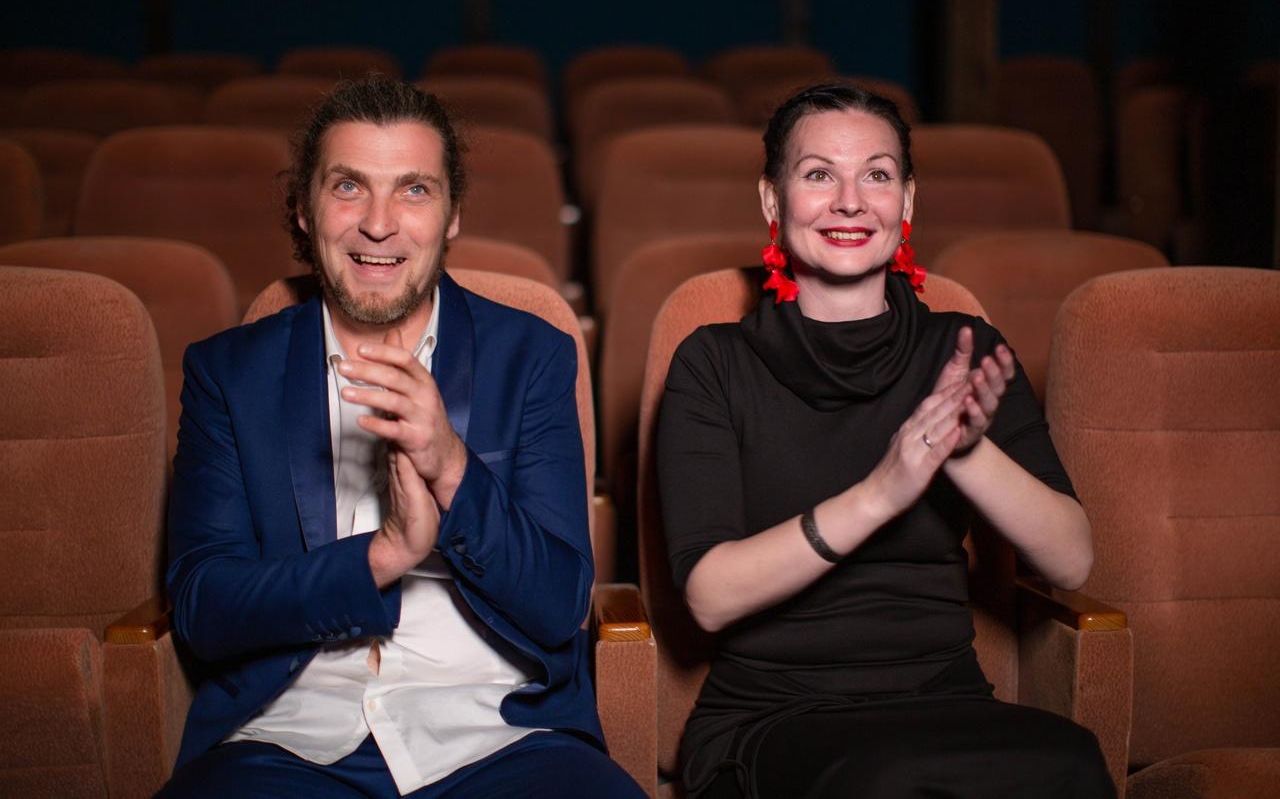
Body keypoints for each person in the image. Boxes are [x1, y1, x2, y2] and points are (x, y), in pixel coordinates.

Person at [160, 76, 642, 798]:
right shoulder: (230, 372)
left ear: (452, 215)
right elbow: (204, 608)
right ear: (304, 208)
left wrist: (451, 466)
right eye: (348, 187)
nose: (379, 224)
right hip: (287, 739)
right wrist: (382, 556)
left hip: (500, 732)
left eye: (414, 190)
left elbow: (559, 603)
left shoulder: (532, 354)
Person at [657, 83, 1115, 799]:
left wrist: (967, 451)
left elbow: (1071, 557)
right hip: (775, 714)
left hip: (945, 701)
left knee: (1072, 762)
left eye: (876, 174)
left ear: (906, 202)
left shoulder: (963, 351)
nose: (850, 202)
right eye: (819, 174)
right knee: (889, 783)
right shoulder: (713, 363)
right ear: (772, 201)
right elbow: (710, 596)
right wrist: (881, 492)